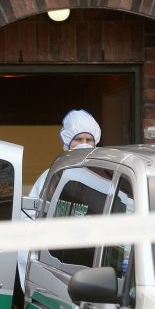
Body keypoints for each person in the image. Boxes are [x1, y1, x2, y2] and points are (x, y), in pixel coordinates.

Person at [17, 109, 101, 285]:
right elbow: (29, 218)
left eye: (88, 140)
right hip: (56, 260)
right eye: (78, 140)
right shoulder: (52, 176)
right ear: (67, 142)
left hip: (94, 263)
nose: (83, 144)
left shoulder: (104, 176)